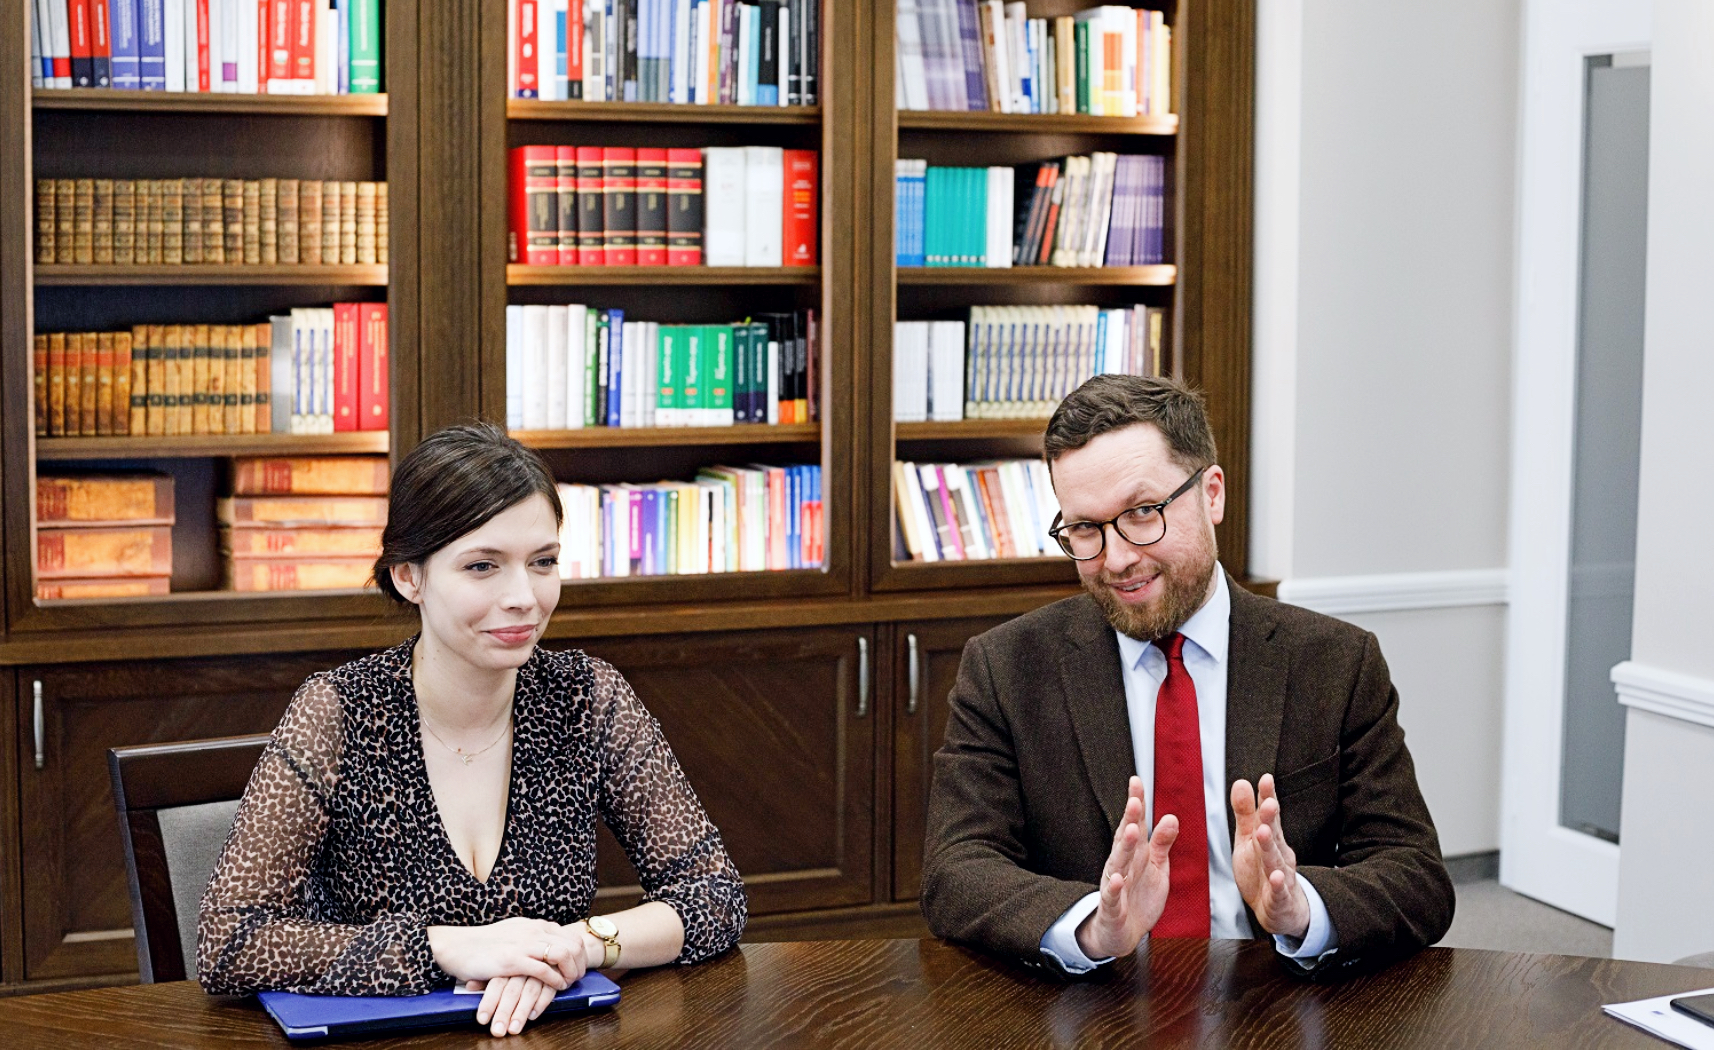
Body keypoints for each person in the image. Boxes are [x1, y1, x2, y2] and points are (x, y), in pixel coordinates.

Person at [198, 422, 746, 1037]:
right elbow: (229, 941)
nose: (523, 597)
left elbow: (715, 894)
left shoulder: (587, 696)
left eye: (543, 562)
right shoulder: (338, 711)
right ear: (409, 577)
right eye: (483, 566)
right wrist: (447, 947)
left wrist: (573, 945)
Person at [920, 375, 1453, 979]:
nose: (1118, 558)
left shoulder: (1335, 663)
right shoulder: (1005, 668)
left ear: (1212, 494)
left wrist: (1301, 906)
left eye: (1142, 513)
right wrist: (1093, 924)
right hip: (1093, 992)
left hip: (1277, 989)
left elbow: (1416, 875)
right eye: (1086, 528)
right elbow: (955, 870)